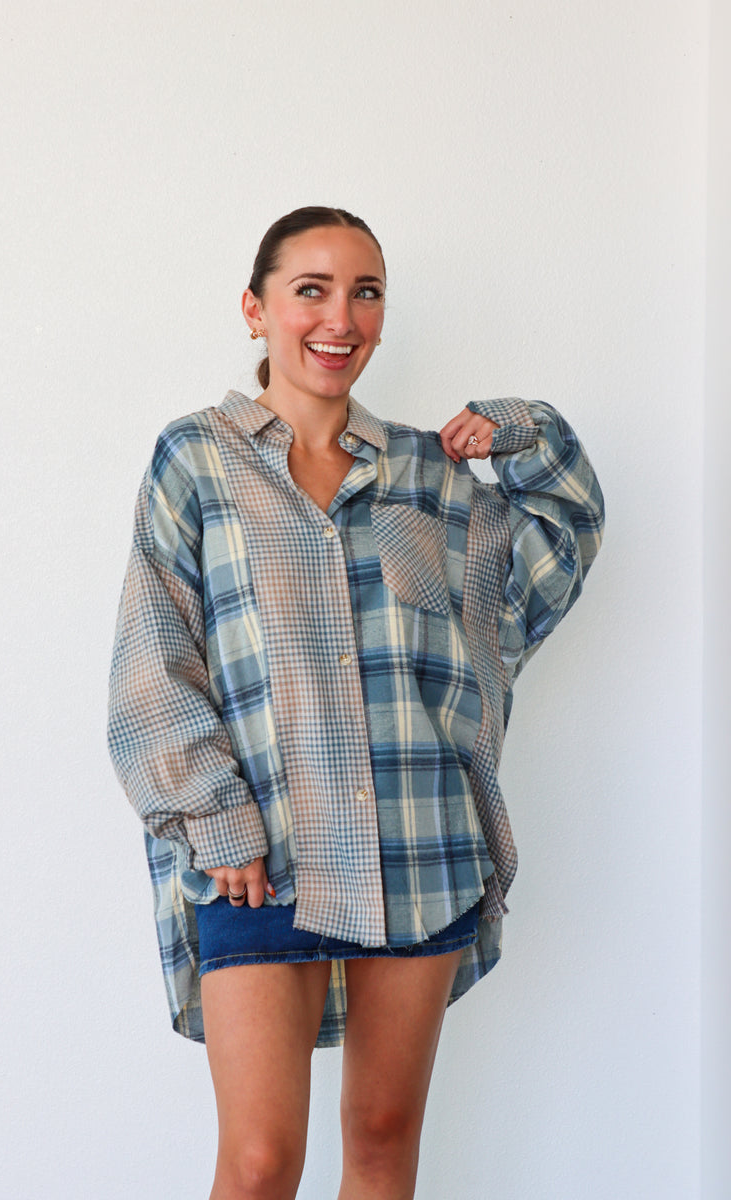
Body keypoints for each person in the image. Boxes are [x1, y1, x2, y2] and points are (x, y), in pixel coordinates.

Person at [108, 205, 604, 1199]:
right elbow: (152, 659)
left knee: (380, 1142)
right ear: (255, 311)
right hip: (259, 854)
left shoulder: (432, 479)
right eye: (311, 289)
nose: (339, 316)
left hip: (418, 845)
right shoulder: (195, 460)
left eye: (364, 292)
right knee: (258, 1164)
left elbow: (560, 533)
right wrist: (215, 821)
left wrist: (520, 432)